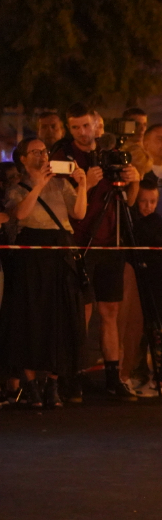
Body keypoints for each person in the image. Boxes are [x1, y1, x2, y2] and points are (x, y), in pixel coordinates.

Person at [52, 102, 142, 401]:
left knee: (111, 311)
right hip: (82, 242)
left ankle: (114, 377)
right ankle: (73, 376)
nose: (81, 132)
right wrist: (86, 185)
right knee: (82, 312)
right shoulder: (63, 157)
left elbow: (128, 203)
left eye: (86, 126)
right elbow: (64, 206)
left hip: (111, 242)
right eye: (75, 127)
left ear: (96, 125)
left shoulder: (108, 155)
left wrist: (135, 182)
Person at [1, 138, 88, 408]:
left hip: (60, 252)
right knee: (31, 319)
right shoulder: (17, 188)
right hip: (32, 256)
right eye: (35, 152)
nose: (42, 156)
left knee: (59, 318)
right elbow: (21, 213)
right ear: (23, 159)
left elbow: (79, 212)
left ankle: (53, 383)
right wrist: (39, 183)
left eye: (45, 151)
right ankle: (31, 384)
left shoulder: (61, 184)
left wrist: (83, 185)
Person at [130, 176, 162, 396]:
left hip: (161, 283)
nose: (148, 206)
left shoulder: (157, 219)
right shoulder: (133, 221)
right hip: (143, 281)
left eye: (153, 201)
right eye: (143, 201)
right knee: (144, 332)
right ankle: (146, 375)